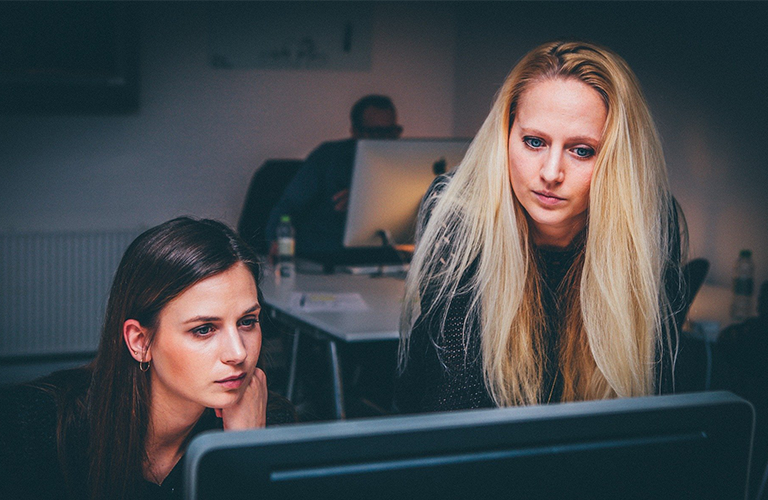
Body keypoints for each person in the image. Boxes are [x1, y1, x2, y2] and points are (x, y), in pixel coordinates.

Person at [395, 40, 687, 413]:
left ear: (618, 159)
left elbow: (647, 400)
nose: (551, 173)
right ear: (505, 136)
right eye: (534, 142)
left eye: (582, 150)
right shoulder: (460, 213)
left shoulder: (651, 223)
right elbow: (456, 400)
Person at [0, 217, 295, 500]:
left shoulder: (263, 424)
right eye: (204, 329)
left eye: (248, 321)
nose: (238, 353)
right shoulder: (35, 431)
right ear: (140, 342)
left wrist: (244, 452)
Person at [265, 94, 403, 257]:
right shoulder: (328, 157)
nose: (385, 140)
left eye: (391, 132)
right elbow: (289, 205)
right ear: (355, 132)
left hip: (385, 256)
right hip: (327, 255)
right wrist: (278, 241)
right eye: (375, 133)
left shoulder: (403, 165)